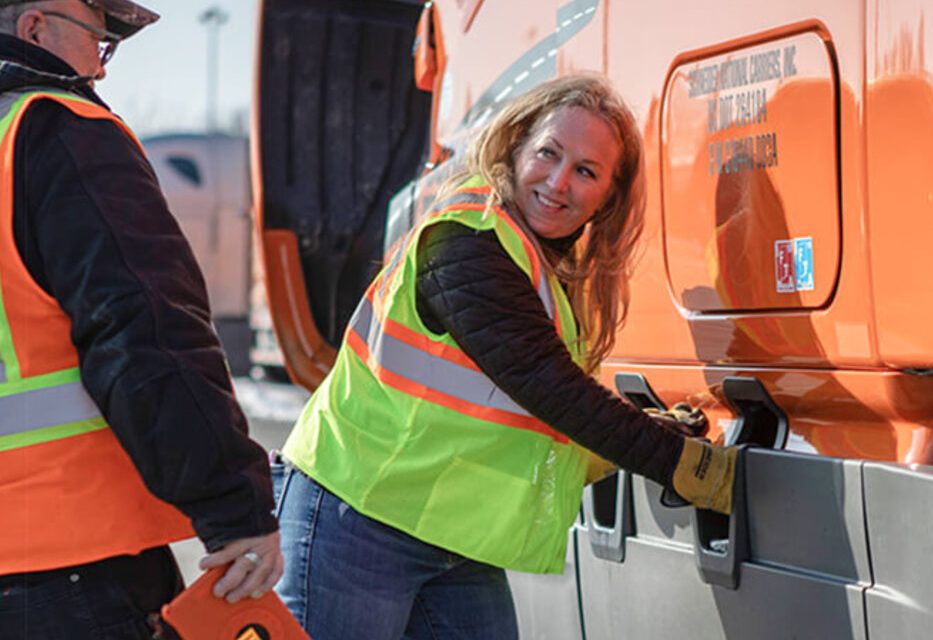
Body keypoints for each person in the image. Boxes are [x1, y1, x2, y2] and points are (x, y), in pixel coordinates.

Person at [272, 74, 738, 639]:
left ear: (608, 197)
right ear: (517, 146)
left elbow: (525, 425)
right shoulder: (469, 241)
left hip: (450, 537)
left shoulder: (539, 269)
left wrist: (637, 431)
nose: (558, 182)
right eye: (548, 153)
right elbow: (547, 386)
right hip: (357, 518)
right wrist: (687, 467)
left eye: (586, 171)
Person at [0, 1, 281, 637]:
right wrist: (235, 509)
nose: (99, 71)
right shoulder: (56, 131)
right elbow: (146, 335)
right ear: (35, 28)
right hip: (66, 565)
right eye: (96, 42)